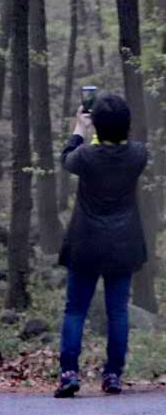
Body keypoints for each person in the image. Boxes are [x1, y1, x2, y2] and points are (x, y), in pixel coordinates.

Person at [54, 92, 149, 398]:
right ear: (127, 125)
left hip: (86, 244)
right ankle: (113, 375)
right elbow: (123, 148)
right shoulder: (138, 155)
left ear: (96, 124)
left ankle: (69, 373)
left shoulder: (86, 156)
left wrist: (79, 130)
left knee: (75, 310)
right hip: (122, 245)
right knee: (118, 311)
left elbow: (67, 158)